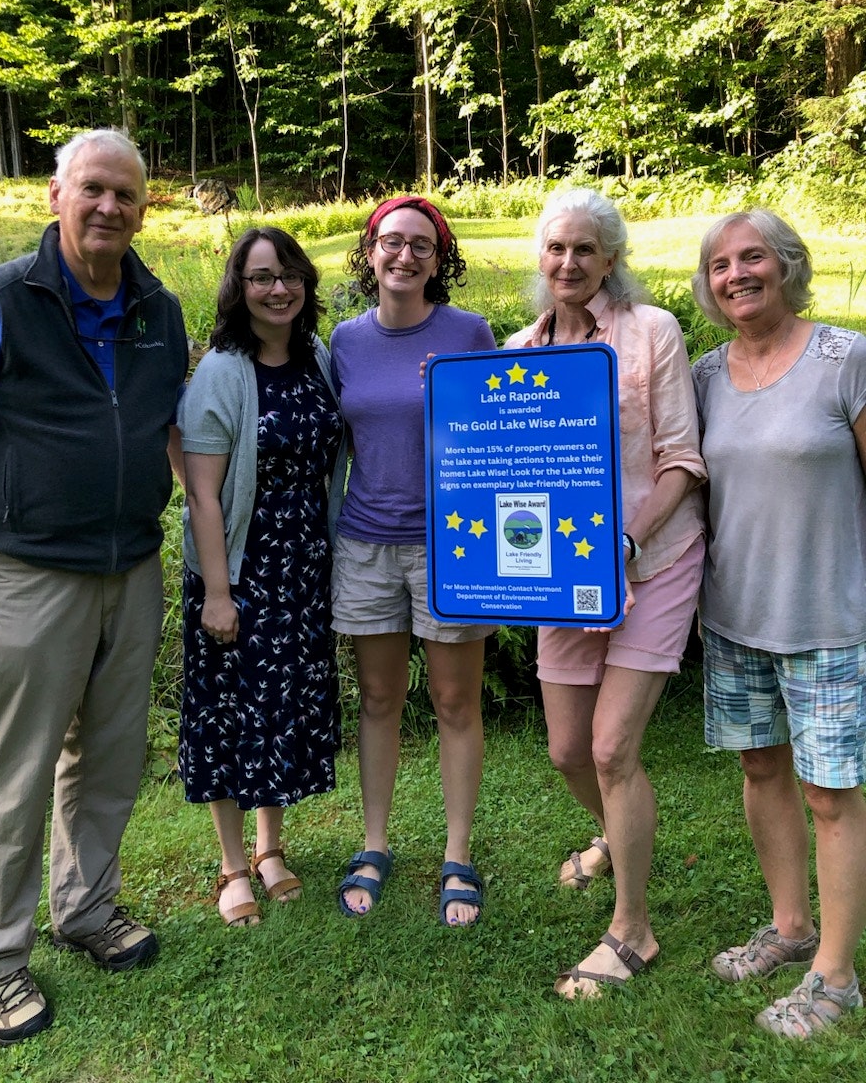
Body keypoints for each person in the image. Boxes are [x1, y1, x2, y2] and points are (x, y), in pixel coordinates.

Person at [0, 129, 189, 1044]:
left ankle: (86, 909)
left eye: (126, 195)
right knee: (14, 770)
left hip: (131, 566)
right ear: (56, 196)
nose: (110, 207)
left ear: (143, 209)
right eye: (94, 190)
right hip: (28, 571)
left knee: (108, 760)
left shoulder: (158, 308)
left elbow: (165, 432)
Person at [505, 187, 705, 997]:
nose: (569, 262)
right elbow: (500, 468)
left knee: (613, 747)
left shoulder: (651, 333)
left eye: (585, 250)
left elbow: (682, 463)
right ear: (541, 259)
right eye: (556, 249)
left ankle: (632, 931)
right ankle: (610, 836)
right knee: (564, 750)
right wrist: (449, 395)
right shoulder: (521, 347)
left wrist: (626, 542)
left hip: (650, 561)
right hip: (563, 578)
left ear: (611, 259)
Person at [691, 209, 866, 1037]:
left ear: (787, 264)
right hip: (734, 617)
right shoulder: (703, 376)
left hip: (830, 618)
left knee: (830, 796)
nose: (736, 275)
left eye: (751, 257)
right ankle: (791, 929)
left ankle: (836, 976)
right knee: (762, 770)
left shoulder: (846, 359)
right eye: (720, 265)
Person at [331, 196, 497, 926]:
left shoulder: (469, 333)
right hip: (365, 542)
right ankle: (374, 844)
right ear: (369, 252)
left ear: (440, 259)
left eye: (421, 247)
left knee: (456, 703)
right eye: (391, 242)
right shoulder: (341, 340)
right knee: (378, 701)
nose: (404, 256)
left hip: (451, 548)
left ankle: (458, 855)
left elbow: (504, 440)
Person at [177, 228, 345, 926]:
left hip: (302, 570)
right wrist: (218, 593)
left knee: (279, 713)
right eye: (261, 277)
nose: (278, 289)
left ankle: (271, 849)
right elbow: (202, 493)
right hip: (240, 569)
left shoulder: (318, 358)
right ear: (238, 288)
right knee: (227, 716)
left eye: (289, 275)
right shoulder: (221, 370)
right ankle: (229, 864)